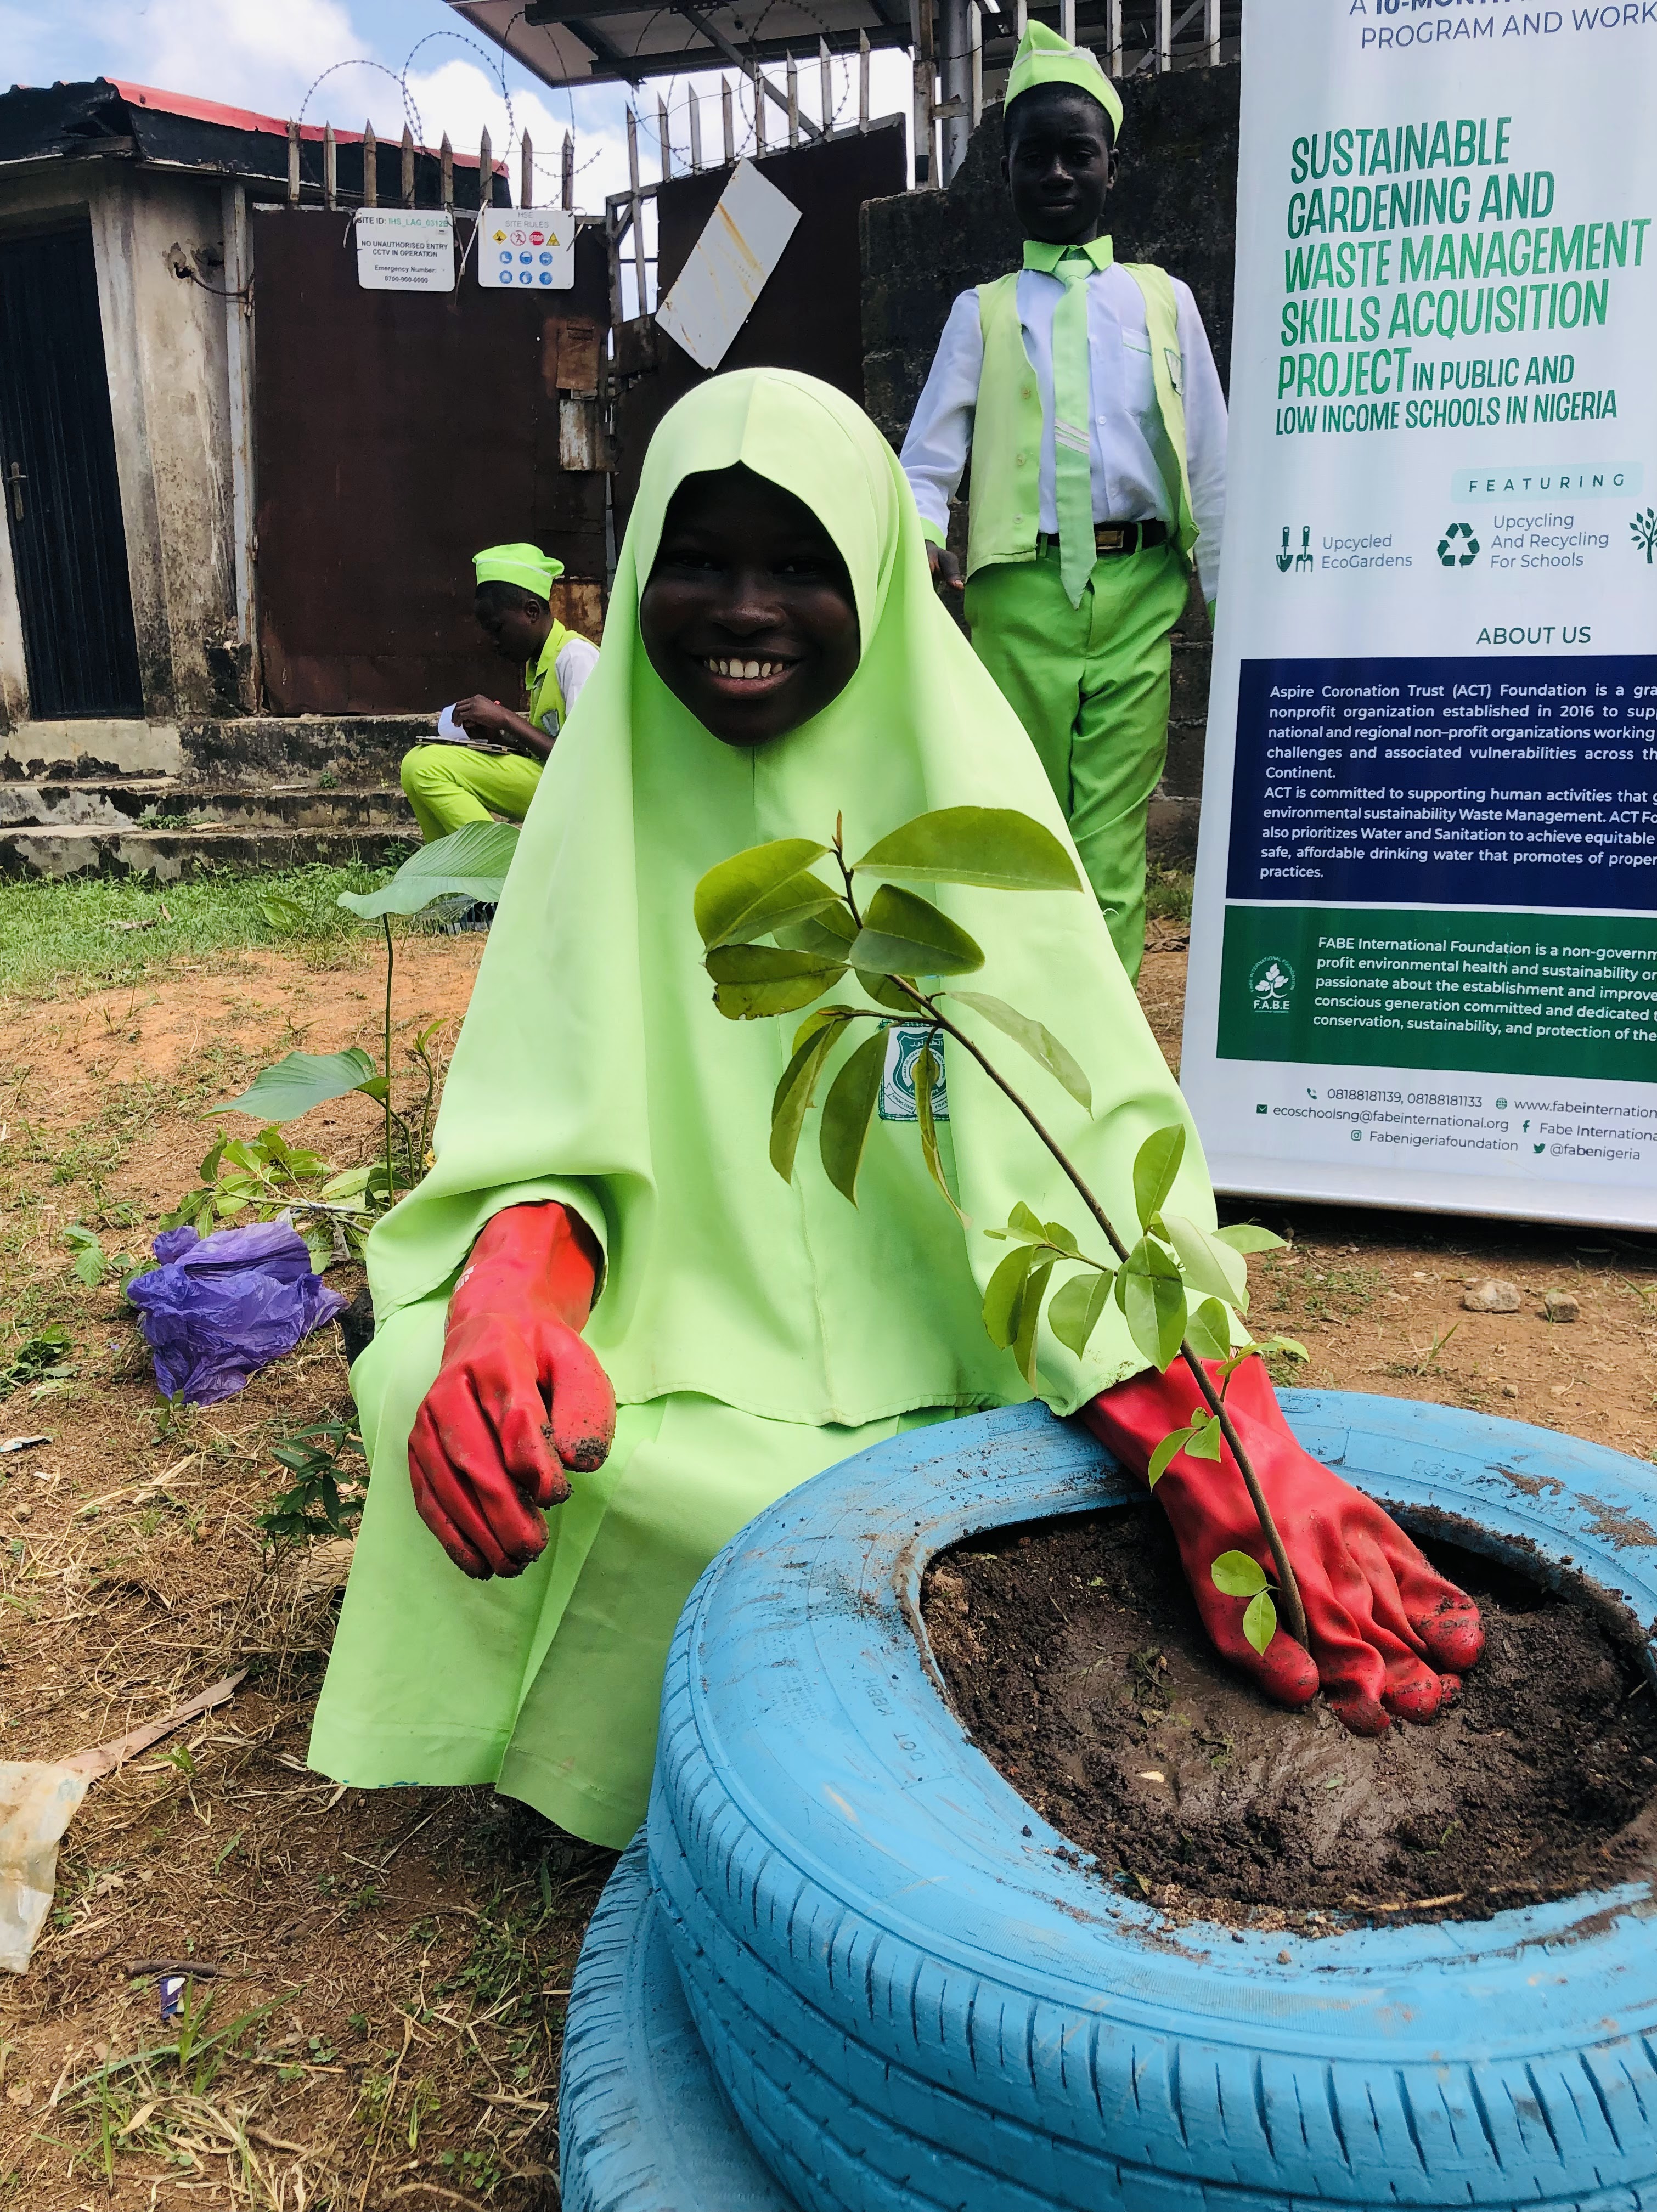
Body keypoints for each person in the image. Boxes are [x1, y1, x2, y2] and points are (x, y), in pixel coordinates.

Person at [308, 370, 1480, 1852]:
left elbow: (1085, 1155)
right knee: (434, 1376)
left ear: (877, 572)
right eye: (700, 563)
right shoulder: (600, 798)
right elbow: (555, 1116)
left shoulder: (959, 800)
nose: (744, 608)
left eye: (801, 565)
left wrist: (1226, 1452)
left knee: (954, 1508)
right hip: (682, 1350)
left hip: (962, 1368)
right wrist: (505, 1305)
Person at [899, 21, 1227, 979]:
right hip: (1017, 598)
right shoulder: (981, 313)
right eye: (1031, 157)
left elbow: (1206, 456)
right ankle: (1019, 1014)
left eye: (1074, 155)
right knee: (1020, 826)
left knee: (1111, 844)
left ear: (1109, 167)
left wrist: (1228, 599)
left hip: (1138, 592)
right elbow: (925, 464)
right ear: (1002, 173)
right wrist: (919, 540)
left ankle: (1105, 1042)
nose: (1054, 174)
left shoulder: (1162, 302)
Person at [398, 543, 600, 844]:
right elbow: (549, 753)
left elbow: (588, 761)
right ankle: (459, 878)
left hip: (588, 796)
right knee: (415, 763)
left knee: (425, 768)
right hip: (560, 786)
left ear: (531, 611)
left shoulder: (575, 656)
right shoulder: (541, 666)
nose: (493, 642)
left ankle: (501, 876)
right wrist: (499, 742)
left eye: (497, 629)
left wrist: (506, 718)